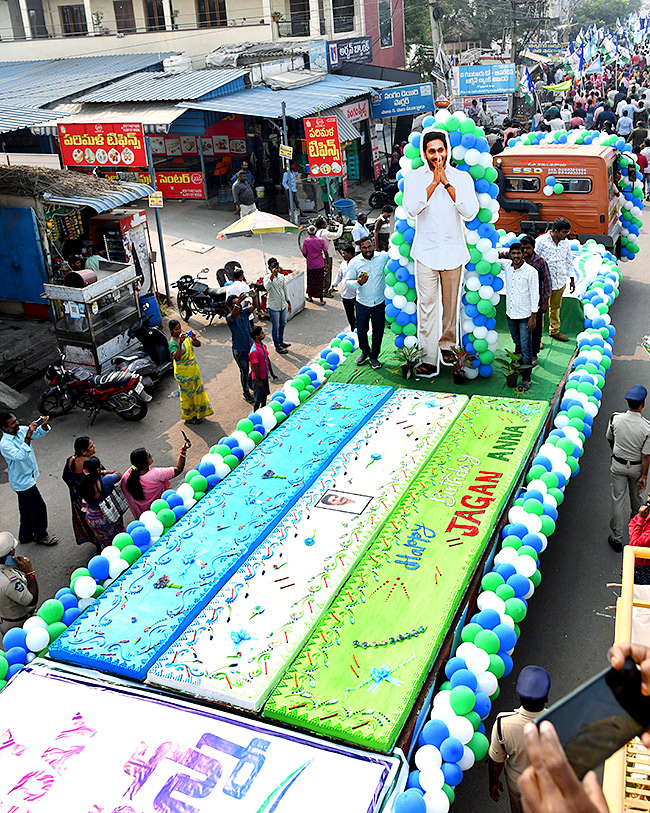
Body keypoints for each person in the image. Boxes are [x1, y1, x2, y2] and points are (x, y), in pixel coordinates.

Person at [402, 128, 479, 378]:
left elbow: (470, 212)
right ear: (425, 153)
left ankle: (447, 346)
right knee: (426, 306)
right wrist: (433, 182)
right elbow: (411, 209)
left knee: (451, 306)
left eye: (441, 150)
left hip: (453, 251)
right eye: (432, 151)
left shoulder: (461, 178)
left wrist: (446, 183)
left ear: (447, 150)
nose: (437, 156)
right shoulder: (414, 178)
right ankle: (428, 358)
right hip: (425, 251)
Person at [488, 664, 551, 813]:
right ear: (546, 699)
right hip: (548, 787)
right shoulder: (557, 720)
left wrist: (494, 782)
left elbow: (496, 762)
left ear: (518, 695)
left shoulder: (503, 723)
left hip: (520, 786)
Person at [0, 412, 57, 547]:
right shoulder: (5, 444)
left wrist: (42, 426)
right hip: (22, 482)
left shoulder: (21, 431)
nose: (17, 423)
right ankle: (41, 535)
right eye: (13, 423)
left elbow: (38, 433)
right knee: (38, 507)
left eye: (16, 420)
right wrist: (28, 436)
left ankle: (25, 536)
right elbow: (21, 456)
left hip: (28, 476)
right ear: (5, 428)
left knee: (26, 509)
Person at [606, 385, 650, 552]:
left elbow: (610, 439)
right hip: (637, 467)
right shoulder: (647, 427)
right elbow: (646, 455)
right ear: (643, 404)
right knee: (636, 494)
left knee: (618, 500)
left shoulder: (615, 419)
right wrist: (644, 476)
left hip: (618, 464)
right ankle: (637, 519)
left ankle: (617, 539)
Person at [499, 242, 539, 392]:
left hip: (525, 316)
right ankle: (518, 368)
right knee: (517, 345)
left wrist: (533, 316)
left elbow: (535, 294)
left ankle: (526, 378)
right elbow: (491, 258)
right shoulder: (506, 266)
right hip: (511, 314)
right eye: (513, 253)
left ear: (523, 254)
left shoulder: (531, 272)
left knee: (526, 347)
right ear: (510, 254)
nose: (516, 256)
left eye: (518, 253)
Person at [345, 236, 388, 370]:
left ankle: (374, 356)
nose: (368, 250)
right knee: (362, 330)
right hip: (362, 303)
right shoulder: (354, 262)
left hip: (379, 302)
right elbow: (347, 281)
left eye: (369, 246)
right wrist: (358, 283)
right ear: (360, 248)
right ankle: (365, 351)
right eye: (364, 247)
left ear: (373, 246)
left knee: (378, 331)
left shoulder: (383, 257)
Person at [120, 442, 190, 520]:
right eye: (149, 456)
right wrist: (183, 452)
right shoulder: (156, 474)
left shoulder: (127, 476)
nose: (152, 455)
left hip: (146, 515)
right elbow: (178, 469)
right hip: (163, 508)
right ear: (143, 464)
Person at [535, 218, 576, 342]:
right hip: (543, 283)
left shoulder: (565, 243)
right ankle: (537, 338)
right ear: (556, 231)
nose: (567, 235)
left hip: (560, 281)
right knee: (540, 310)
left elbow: (568, 261)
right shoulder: (541, 242)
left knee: (555, 307)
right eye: (564, 232)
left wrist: (572, 278)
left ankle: (554, 331)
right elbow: (534, 261)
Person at [168, 320, 214, 425]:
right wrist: (180, 343)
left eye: (180, 328)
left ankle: (199, 413)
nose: (179, 331)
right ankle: (189, 417)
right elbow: (177, 357)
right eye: (176, 329)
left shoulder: (185, 337)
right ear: (171, 330)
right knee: (187, 396)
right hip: (184, 375)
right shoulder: (172, 343)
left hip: (194, 372)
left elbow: (198, 345)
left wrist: (194, 338)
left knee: (197, 393)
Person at [78, 457, 123, 550]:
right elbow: (118, 474)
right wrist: (103, 472)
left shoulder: (83, 483)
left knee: (105, 542)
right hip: (107, 515)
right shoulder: (105, 480)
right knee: (119, 538)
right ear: (98, 468)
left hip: (92, 518)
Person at [520, 235, 552, 365]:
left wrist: (545, 301)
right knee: (520, 328)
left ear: (533, 248)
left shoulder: (540, 262)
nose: (525, 250)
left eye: (528, 248)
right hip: (521, 302)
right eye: (523, 248)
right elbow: (503, 254)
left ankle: (533, 355)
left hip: (536, 303)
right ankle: (519, 351)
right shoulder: (517, 260)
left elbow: (548, 282)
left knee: (536, 329)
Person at [0, 531, 37, 642]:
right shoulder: (10, 581)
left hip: (4, 621)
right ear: (11, 552)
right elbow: (31, 601)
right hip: (20, 623)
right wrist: (30, 573)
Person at [62, 436, 98, 548]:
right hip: (91, 500)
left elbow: (65, 476)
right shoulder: (89, 464)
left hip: (77, 499)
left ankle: (95, 542)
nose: (94, 447)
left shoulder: (70, 461)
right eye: (91, 446)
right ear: (83, 451)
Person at [226, 293, 254, 404]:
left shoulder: (244, 312)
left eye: (238, 302)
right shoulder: (230, 318)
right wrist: (238, 303)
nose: (238, 304)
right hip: (240, 350)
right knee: (244, 370)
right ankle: (246, 392)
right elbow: (233, 315)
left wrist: (255, 295)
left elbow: (254, 306)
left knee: (254, 368)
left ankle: (250, 384)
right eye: (234, 303)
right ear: (229, 307)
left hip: (250, 346)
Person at [264, 257, 291, 355]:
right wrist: (272, 275)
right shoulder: (267, 277)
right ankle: (277, 346)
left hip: (282, 305)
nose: (275, 268)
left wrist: (288, 302)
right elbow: (267, 287)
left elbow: (285, 290)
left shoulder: (281, 277)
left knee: (283, 323)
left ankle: (281, 341)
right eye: (272, 266)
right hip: (273, 306)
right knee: (276, 326)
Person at [249, 325, 278, 410]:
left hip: (265, 375)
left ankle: (263, 410)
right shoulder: (254, 351)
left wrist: (272, 373)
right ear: (256, 336)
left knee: (264, 395)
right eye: (261, 333)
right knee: (258, 399)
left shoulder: (263, 346)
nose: (263, 334)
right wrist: (259, 381)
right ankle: (256, 413)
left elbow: (267, 359)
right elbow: (255, 367)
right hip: (259, 379)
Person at [315, 216, 343, 297]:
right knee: (327, 273)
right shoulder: (325, 233)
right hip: (326, 256)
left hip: (320, 255)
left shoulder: (318, 232)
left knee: (324, 273)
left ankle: (324, 288)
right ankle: (326, 291)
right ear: (323, 224)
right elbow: (338, 234)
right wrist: (340, 225)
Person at [331, 244, 357, 330]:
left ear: (350, 254)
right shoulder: (343, 264)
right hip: (346, 294)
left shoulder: (358, 263)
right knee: (350, 315)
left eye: (344, 253)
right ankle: (353, 328)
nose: (342, 255)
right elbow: (339, 275)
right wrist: (333, 285)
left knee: (360, 315)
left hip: (357, 294)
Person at [301, 225, 328, 306]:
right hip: (320, 264)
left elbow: (304, 253)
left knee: (310, 281)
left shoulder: (306, 241)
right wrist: (327, 263)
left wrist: (309, 257)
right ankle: (321, 299)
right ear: (316, 232)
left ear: (308, 232)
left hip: (310, 264)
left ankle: (310, 297)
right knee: (320, 282)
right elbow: (326, 252)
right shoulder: (321, 240)